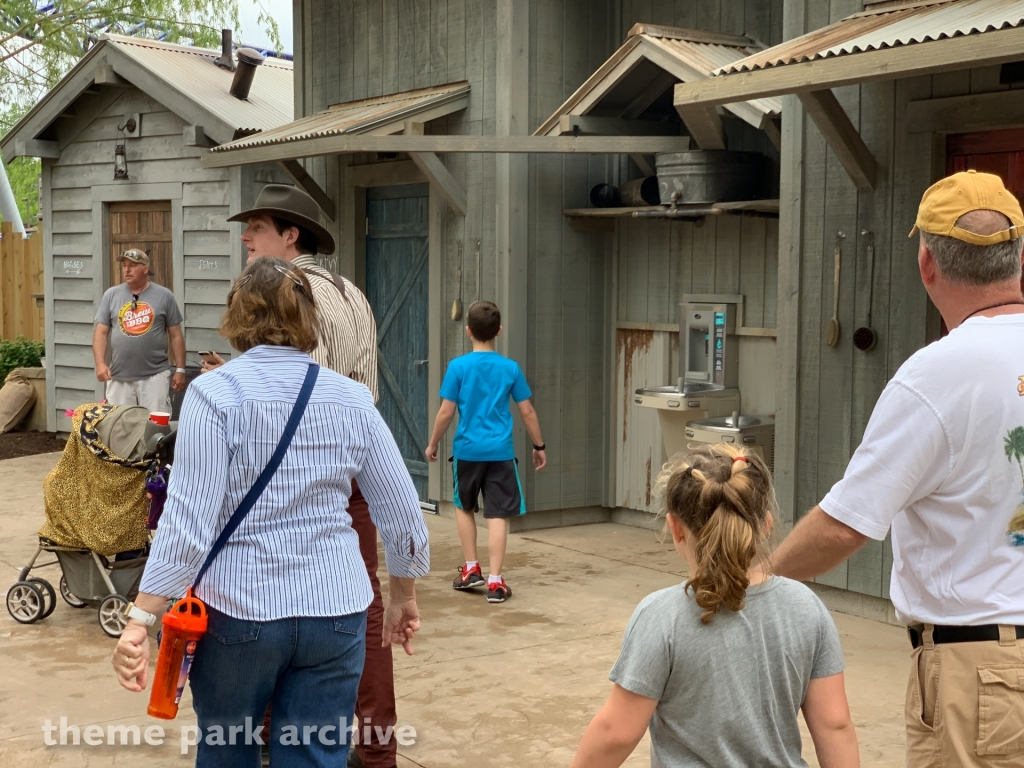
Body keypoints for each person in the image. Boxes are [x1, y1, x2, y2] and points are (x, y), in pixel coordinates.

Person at [111, 258, 429, 767]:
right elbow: (401, 512)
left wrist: (141, 618)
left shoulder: (213, 395)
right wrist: (403, 595)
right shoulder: (353, 399)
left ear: (237, 318)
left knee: (227, 750)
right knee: (314, 755)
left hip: (239, 610)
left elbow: (188, 522)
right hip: (336, 609)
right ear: (310, 318)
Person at [767, 170, 1024, 768]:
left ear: (926, 262)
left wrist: (761, 578)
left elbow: (845, 526)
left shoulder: (936, 375)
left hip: (981, 672)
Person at [208, 184, 392, 768]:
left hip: (305, 469)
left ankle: (274, 735)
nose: (246, 238)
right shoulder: (353, 291)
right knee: (359, 608)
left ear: (291, 236)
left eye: (258, 227)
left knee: (274, 602)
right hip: (356, 462)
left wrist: (231, 379)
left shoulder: (293, 292)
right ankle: (373, 744)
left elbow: (292, 389)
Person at [570, 445, 859, 768]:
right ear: (765, 525)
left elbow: (616, 734)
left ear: (675, 528)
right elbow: (835, 725)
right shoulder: (806, 607)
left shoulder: (661, 616)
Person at [425, 301, 546, 603]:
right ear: (499, 331)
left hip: (467, 451)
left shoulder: (458, 367)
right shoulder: (510, 368)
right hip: (500, 452)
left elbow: (445, 412)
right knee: (498, 514)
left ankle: (470, 569)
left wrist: (433, 443)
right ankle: (495, 582)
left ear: (468, 332)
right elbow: (527, 411)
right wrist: (538, 445)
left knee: (464, 506)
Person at [92, 248, 186, 412]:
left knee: (156, 427)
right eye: (124, 265)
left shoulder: (164, 296)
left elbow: (176, 335)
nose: (127, 270)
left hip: (155, 376)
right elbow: (101, 332)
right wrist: (100, 363)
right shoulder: (111, 295)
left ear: (145, 269)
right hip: (119, 376)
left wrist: (180, 369)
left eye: (133, 265)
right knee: (119, 427)